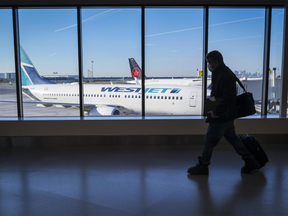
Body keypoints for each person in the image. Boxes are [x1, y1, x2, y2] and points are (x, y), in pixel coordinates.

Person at [187, 50, 261, 175]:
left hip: (222, 115)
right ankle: (251, 161)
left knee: (209, 140)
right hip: (228, 114)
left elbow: (228, 98)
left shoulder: (224, 75)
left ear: (216, 62)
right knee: (232, 138)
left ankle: (203, 165)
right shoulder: (222, 72)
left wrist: (216, 112)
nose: (208, 65)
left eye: (209, 62)